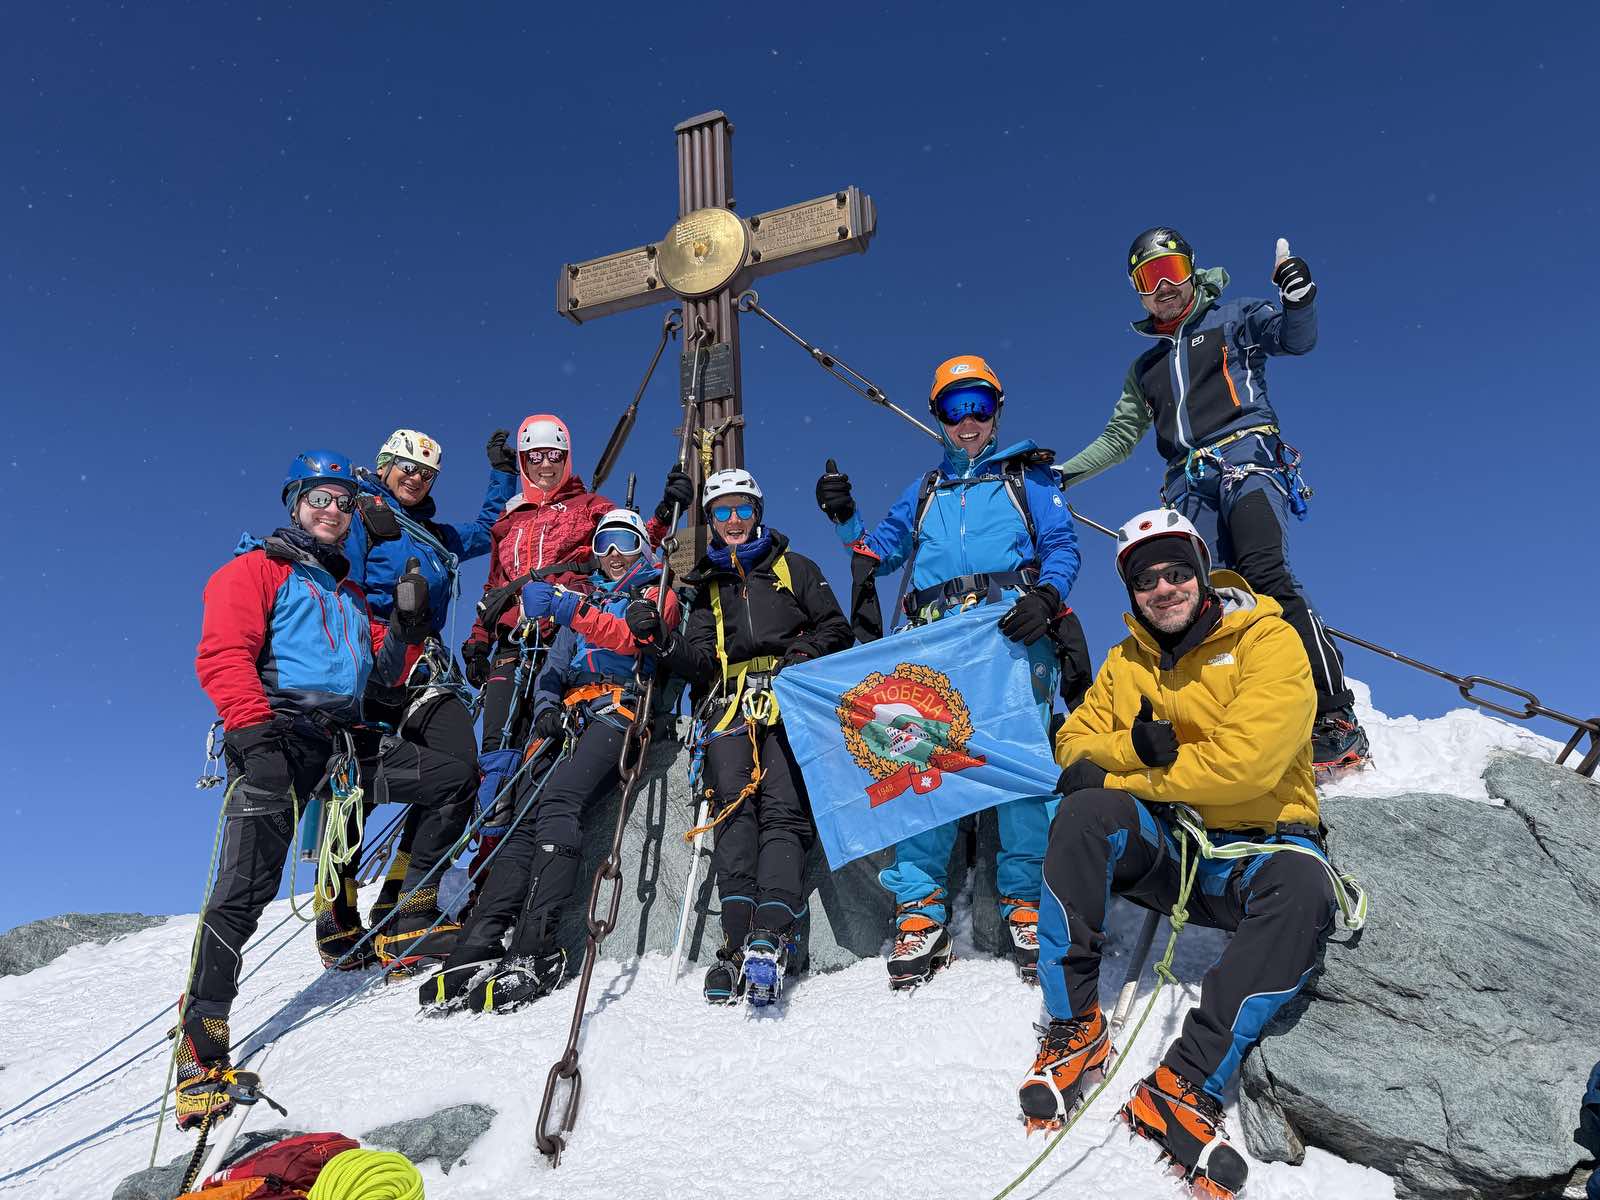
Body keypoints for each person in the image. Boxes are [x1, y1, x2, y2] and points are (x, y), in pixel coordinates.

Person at [1020, 508, 1339, 1200]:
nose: (1163, 589)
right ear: (1131, 593)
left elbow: (1247, 767)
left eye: (1175, 573)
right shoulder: (1124, 662)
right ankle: (1075, 1025)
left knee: (1305, 888)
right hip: (1174, 853)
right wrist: (1132, 749)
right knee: (1083, 814)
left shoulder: (1268, 641)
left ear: (1201, 573)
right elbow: (1071, 749)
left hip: (1258, 852)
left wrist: (1128, 774)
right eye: (1145, 580)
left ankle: (1186, 1080)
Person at [1056, 227, 1368, 775]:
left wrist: (1299, 301)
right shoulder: (1145, 371)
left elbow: (1295, 339)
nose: (1164, 287)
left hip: (1246, 458)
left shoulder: (1235, 317)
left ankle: (1333, 714)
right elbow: (1119, 438)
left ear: (1192, 271)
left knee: (1263, 573)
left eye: (1171, 271)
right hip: (1186, 482)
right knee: (1206, 597)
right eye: (1149, 279)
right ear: (1138, 292)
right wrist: (1063, 475)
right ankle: (1229, 711)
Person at [815, 355, 1083, 989]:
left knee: (1019, 766)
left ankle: (1023, 901)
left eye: (979, 407)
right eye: (955, 408)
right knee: (922, 768)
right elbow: (876, 555)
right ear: (939, 416)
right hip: (936, 642)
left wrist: (1046, 599)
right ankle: (921, 906)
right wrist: (844, 516)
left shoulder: (1029, 482)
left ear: (996, 411)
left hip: (1008, 634)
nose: (968, 420)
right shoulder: (926, 490)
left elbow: (1063, 547)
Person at [177, 451, 425, 1131]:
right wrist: (253, 736)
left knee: (448, 775)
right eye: (320, 498)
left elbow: (376, 674)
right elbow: (223, 652)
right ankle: (200, 1058)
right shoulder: (254, 569)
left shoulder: (343, 595)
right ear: (295, 504)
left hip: (337, 740)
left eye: (343, 501)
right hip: (276, 734)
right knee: (243, 892)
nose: (334, 510)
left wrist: (402, 629)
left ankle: (408, 904)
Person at [418, 509, 680, 1012]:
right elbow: (553, 671)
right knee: (521, 819)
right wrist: (544, 710)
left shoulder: (653, 593)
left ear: (642, 548)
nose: (612, 554)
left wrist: (567, 607)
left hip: (621, 710)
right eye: (604, 544)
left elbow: (631, 640)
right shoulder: (584, 603)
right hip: (570, 715)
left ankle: (535, 946)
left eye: (624, 542)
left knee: (560, 801)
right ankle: (479, 941)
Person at [628, 468, 852, 1007]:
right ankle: (734, 940)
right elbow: (701, 661)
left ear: (758, 512)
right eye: (721, 511)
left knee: (783, 810)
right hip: (728, 705)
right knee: (733, 810)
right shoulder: (708, 589)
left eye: (741, 509)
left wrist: (798, 658)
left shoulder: (795, 569)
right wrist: (661, 640)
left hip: (788, 700)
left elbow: (835, 629)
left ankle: (771, 930)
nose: (732, 520)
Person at [312, 427, 518, 970]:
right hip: (371, 664)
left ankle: (409, 905)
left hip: (424, 668)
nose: (415, 476)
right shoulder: (361, 518)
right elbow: (340, 589)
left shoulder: (435, 535)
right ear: (383, 466)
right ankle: (337, 908)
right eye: (405, 466)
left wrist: (502, 473)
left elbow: (489, 530)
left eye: (426, 472)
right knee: (358, 787)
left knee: (459, 770)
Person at [461, 414, 691, 865]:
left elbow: (628, 540)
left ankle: (528, 862)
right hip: (514, 641)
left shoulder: (589, 506)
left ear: (566, 459)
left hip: (569, 634)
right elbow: (494, 587)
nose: (546, 464)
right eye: (536, 457)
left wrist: (664, 513)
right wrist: (477, 638)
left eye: (554, 456)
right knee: (496, 755)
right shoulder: (508, 524)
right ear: (524, 461)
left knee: (541, 751)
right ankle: (486, 870)